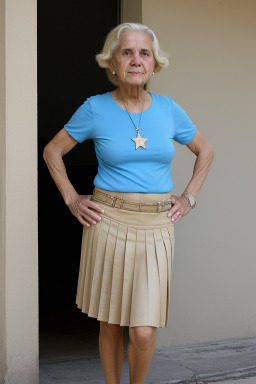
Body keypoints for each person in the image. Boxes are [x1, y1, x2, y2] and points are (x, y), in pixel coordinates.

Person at [43, 22, 214, 384]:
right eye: (127, 52)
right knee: (110, 322)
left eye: (144, 53)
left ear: (154, 64)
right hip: (108, 223)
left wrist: (189, 197)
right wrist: (72, 198)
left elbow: (205, 150)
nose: (136, 60)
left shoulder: (168, 109)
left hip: (156, 227)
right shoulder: (95, 109)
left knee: (142, 331)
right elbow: (53, 150)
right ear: (112, 62)